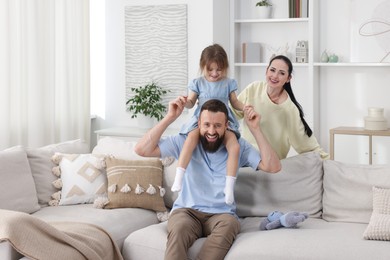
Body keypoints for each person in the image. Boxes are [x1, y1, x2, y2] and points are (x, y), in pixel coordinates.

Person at [134, 98, 281, 260]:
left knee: (229, 225)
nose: (211, 131)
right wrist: (170, 117)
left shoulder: (239, 146)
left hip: (222, 215)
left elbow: (273, 167)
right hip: (186, 211)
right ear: (198, 123)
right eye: (207, 125)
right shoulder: (184, 141)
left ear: (227, 125)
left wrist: (256, 129)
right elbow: (142, 150)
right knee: (179, 229)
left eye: (217, 126)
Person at [172, 43, 246, 205]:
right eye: (210, 69)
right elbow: (192, 102)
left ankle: (228, 186)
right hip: (203, 120)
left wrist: (245, 107)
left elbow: (234, 102)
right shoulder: (198, 82)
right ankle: (179, 176)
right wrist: (185, 102)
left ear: (225, 68)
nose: (214, 73)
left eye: (219, 70)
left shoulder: (228, 83)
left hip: (223, 121)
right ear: (202, 67)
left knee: (234, 146)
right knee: (190, 139)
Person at [231, 55, 329, 160]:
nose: (275, 76)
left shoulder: (289, 109)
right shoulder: (254, 88)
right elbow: (232, 114)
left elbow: (305, 143)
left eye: (281, 73)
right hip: (244, 156)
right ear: (266, 71)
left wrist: (326, 160)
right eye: (272, 70)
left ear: (288, 78)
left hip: (269, 162)